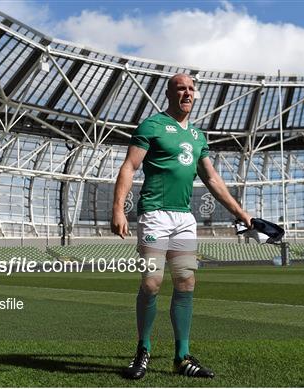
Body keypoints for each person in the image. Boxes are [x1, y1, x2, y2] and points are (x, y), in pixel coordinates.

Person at [111, 73, 252, 380]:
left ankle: (181, 357)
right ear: (169, 93)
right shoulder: (152, 125)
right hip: (155, 214)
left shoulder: (199, 137)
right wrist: (118, 209)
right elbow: (130, 166)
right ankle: (143, 349)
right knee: (151, 282)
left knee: (186, 283)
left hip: (184, 218)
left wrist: (241, 213)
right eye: (181, 88)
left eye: (191, 89)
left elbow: (212, 179)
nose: (187, 93)